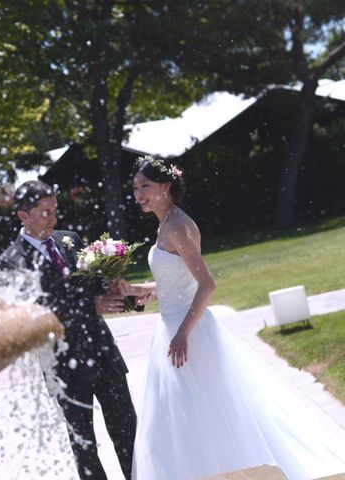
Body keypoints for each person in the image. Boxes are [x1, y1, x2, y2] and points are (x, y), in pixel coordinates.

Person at [114, 155, 345, 480]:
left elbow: (207, 284)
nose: (138, 194)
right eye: (135, 187)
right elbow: (176, 281)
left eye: (145, 186)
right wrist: (134, 287)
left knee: (207, 415)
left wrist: (182, 334)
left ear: (165, 186)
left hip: (188, 336)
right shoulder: (165, 224)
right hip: (172, 330)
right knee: (181, 420)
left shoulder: (178, 226)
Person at [0, 180, 142, 480]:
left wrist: (119, 290)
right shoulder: (11, 263)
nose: (53, 218)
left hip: (104, 355)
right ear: (23, 215)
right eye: (44, 212)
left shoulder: (70, 239)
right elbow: (35, 315)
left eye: (55, 210)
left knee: (130, 436)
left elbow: (95, 287)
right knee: (85, 448)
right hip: (64, 367)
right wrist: (92, 305)